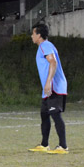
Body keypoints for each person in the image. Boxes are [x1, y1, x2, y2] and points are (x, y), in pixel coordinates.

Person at [28, 23, 68, 154]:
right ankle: (44, 144)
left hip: (54, 87)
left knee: (55, 115)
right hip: (48, 88)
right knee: (44, 115)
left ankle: (63, 146)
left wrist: (49, 82)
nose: (32, 36)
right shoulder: (43, 47)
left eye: (33, 33)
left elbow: (53, 61)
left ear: (39, 35)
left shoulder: (45, 45)